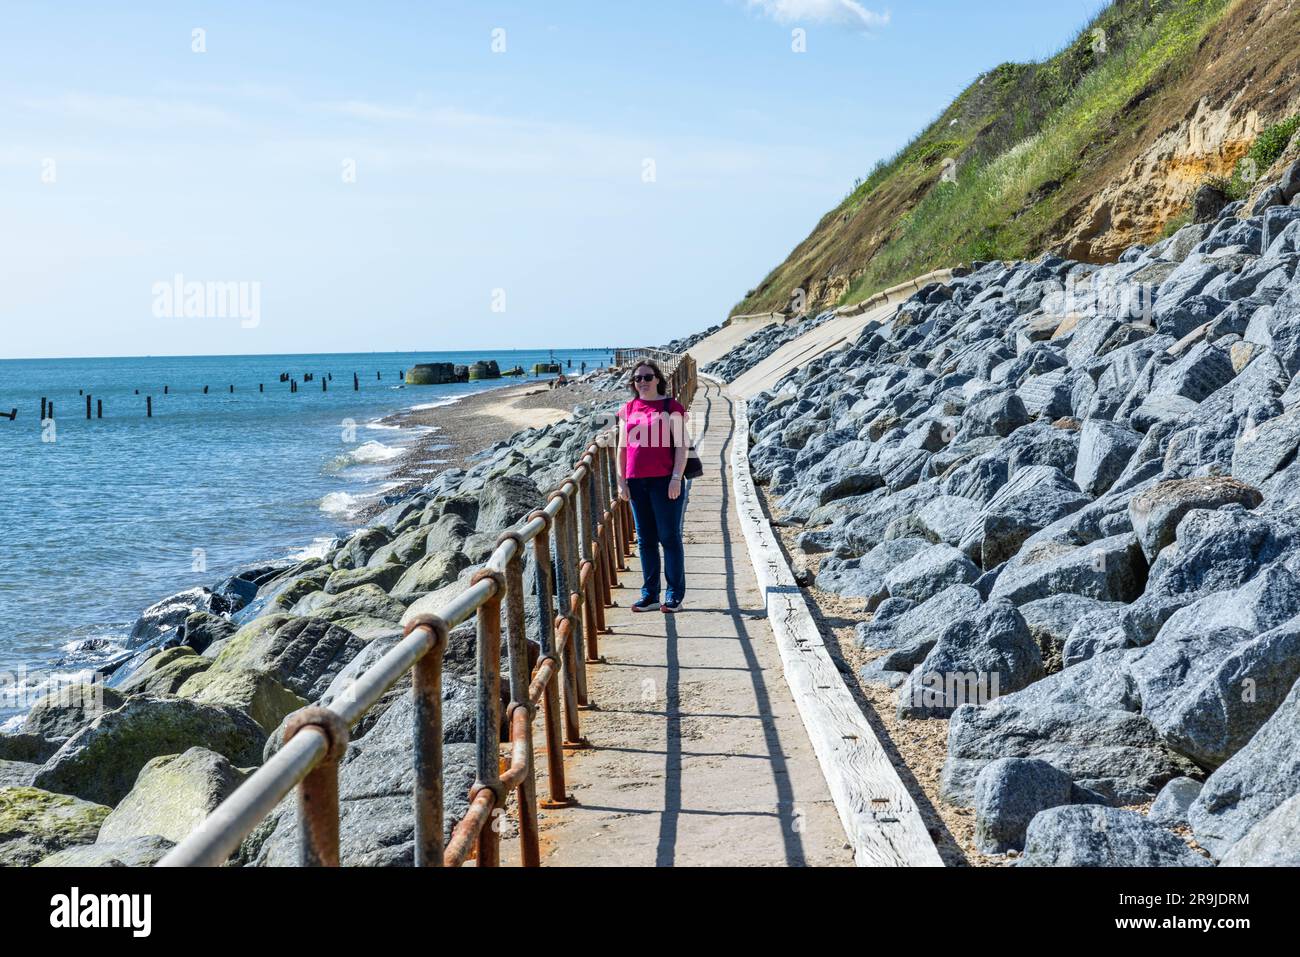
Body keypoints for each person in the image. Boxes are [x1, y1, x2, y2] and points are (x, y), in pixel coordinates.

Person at [616, 360, 689, 613]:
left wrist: (676, 478)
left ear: (657, 378)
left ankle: (673, 595)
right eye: (638, 379)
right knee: (645, 540)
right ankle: (650, 595)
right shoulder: (628, 408)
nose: (643, 382)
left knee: (669, 537)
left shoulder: (671, 407)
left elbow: (681, 446)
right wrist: (621, 481)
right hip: (636, 482)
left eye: (647, 377)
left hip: (665, 481)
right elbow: (622, 448)